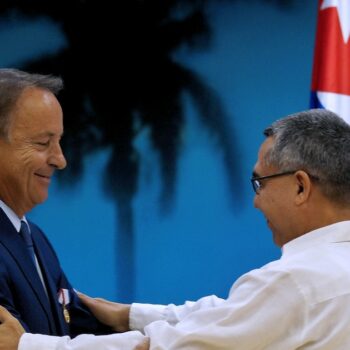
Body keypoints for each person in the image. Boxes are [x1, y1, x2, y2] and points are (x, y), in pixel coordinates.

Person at [1, 108, 350, 349]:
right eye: (42, 142)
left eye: (260, 184)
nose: (256, 202)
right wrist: (130, 315)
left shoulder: (296, 283)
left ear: (301, 187)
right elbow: (230, 312)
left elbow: (165, 349)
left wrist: (27, 345)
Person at [0, 68, 111, 338]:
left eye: (58, 142)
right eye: (42, 143)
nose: (60, 160)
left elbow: (79, 331)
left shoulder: (34, 238)